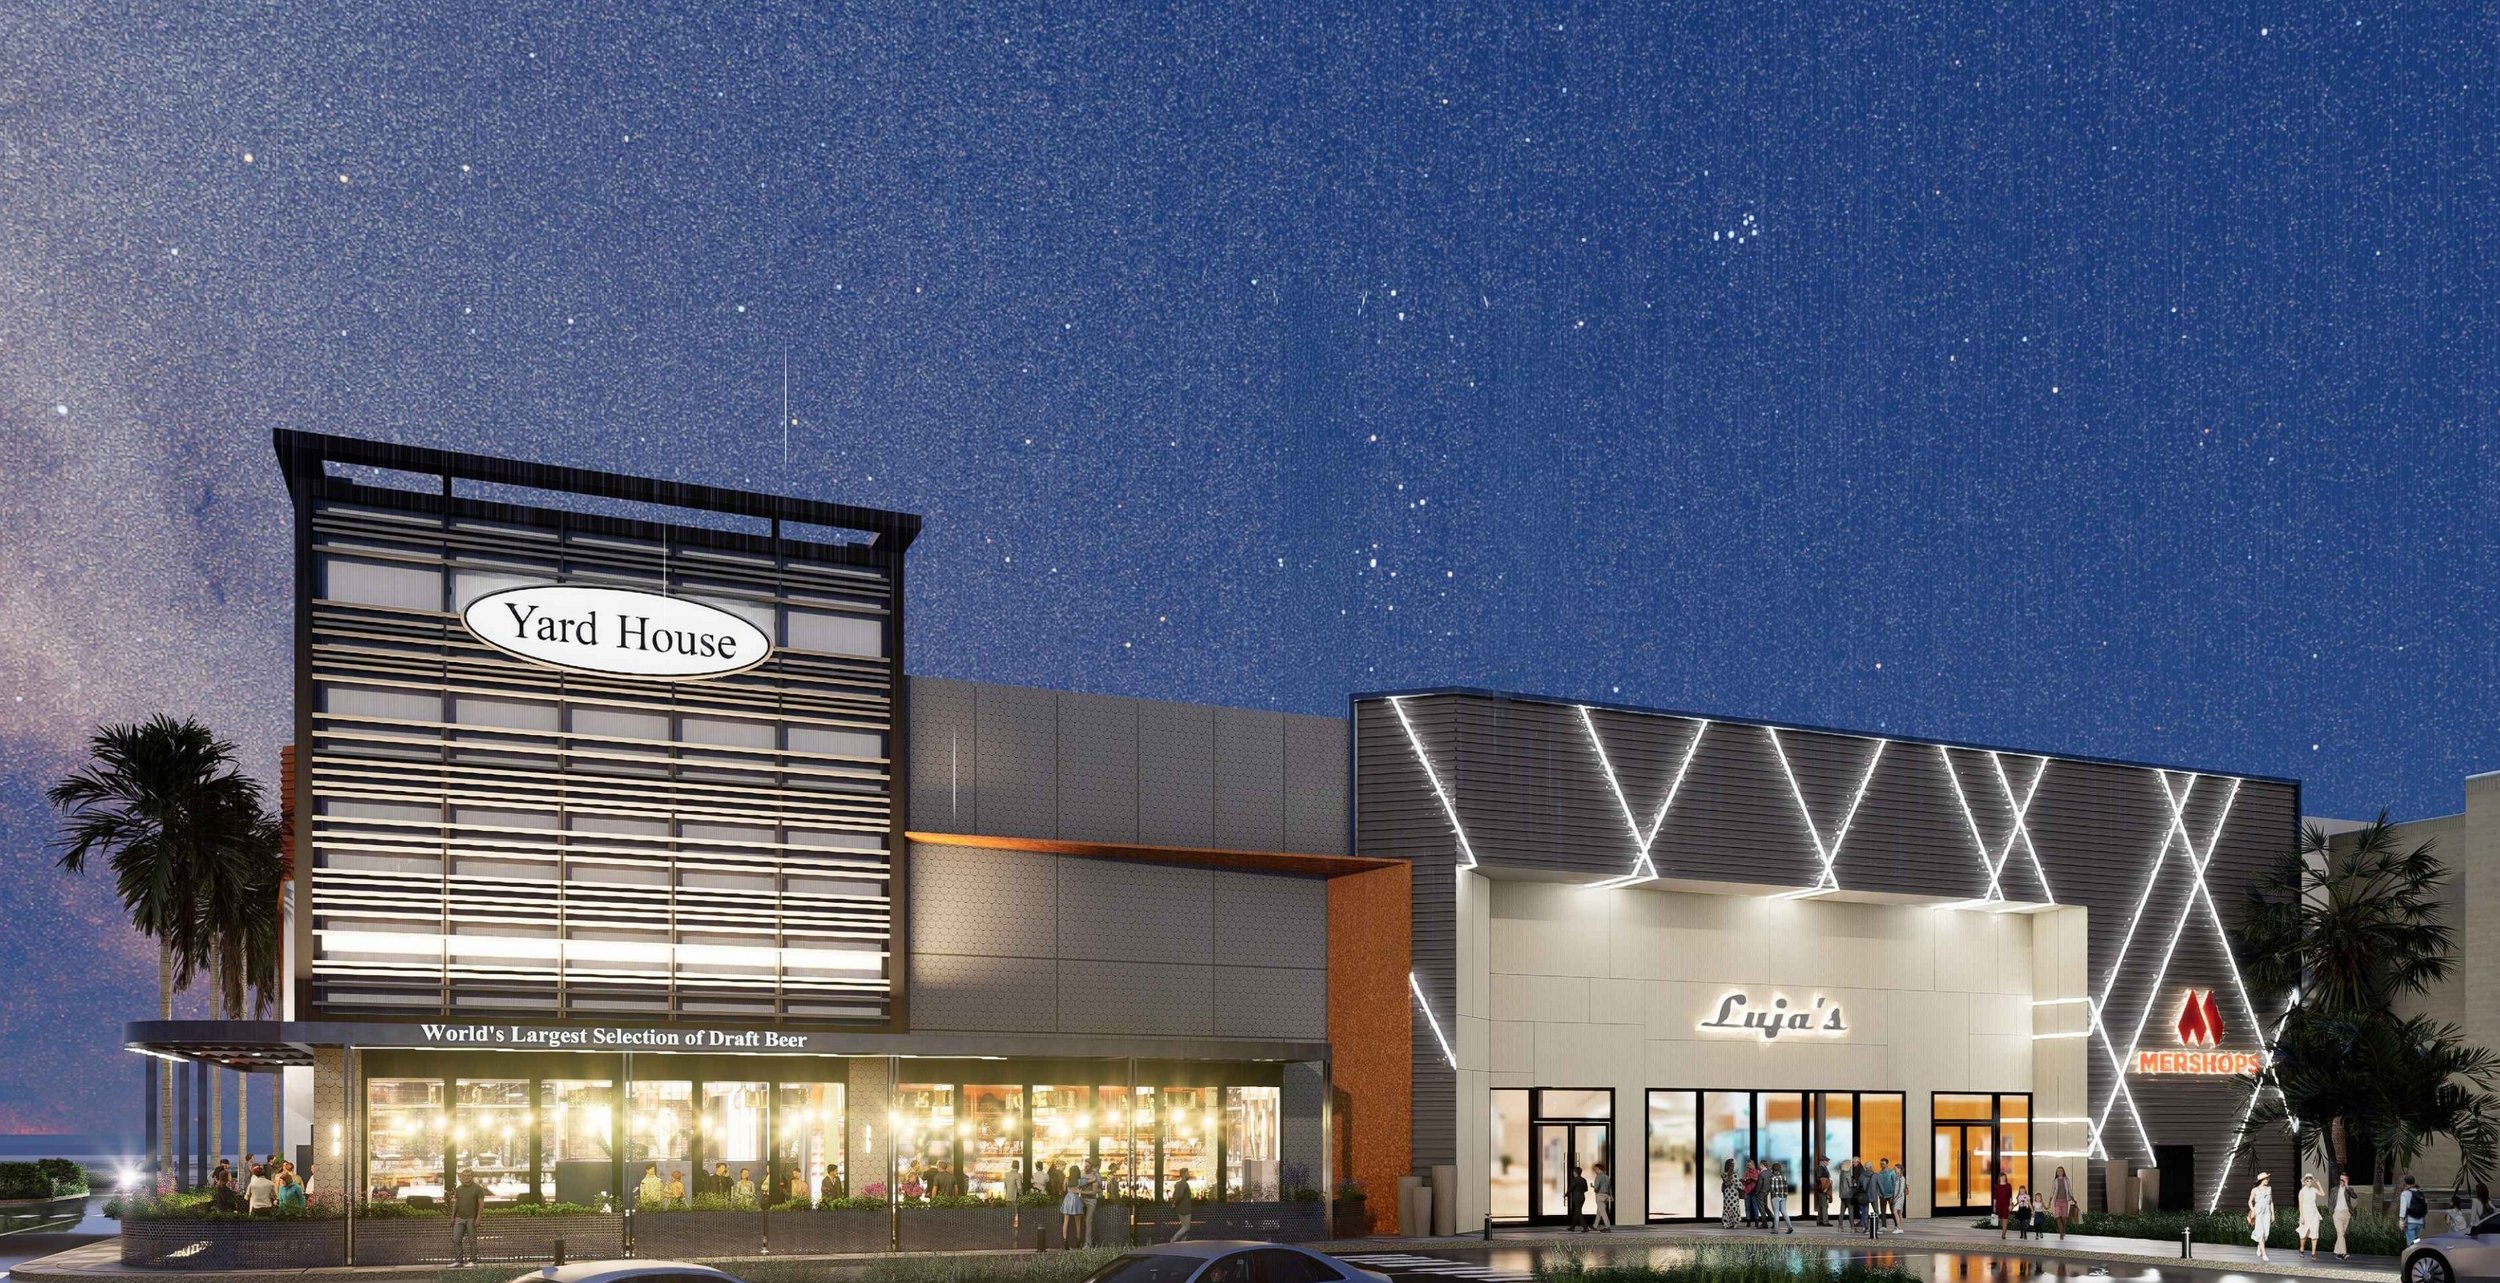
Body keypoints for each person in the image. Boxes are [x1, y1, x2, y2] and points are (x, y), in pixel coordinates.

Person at [450, 1169, 487, 1266]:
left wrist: (479, 1218)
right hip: (459, 1218)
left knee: (472, 1240)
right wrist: (452, 1217)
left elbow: (481, 1204)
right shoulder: (459, 1189)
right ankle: (459, 1261)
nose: (466, 1177)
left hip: (471, 1218)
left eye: (469, 1175)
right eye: (465, 1176)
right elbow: (456, 1203)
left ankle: (473, 1261)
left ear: (472, 1176)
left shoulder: (478, 1188)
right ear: (462, 1177)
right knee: (456, 1239)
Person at [2248, 1172, 2275, 1262]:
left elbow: (2271, 1202)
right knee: (2261, 1232)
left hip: (2267, 1212)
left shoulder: (2269, 1189)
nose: (2267, 1180)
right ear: (2261, 1180)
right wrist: (2253, 1210)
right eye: (2266, 1179)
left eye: (2268, 1178)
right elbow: (2250, 1202)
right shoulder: (2255, 1190)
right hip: (2258, 1211)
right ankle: (2264, 1254)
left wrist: (2273, 1214)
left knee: (2266, 1233)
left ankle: (2259, 1246)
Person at [1058, 1167, 1086, 1250]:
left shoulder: (1067, 1179)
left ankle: (1065, 1241)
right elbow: (1083, 1188)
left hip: (1067, 1199)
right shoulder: (1080, 1180)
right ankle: (1078, 1243)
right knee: (1078, 1223)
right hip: (1076, 1200)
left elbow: (1063, 1189)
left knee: (1066, 1222)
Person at [2296, 1174, 2322, 1257]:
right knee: (2304, 1232)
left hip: (2314, 1213)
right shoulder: (2302, 1191)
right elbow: (2300, 1205)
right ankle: (2302, 1248)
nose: (2309, 1182)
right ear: (2304, 1182)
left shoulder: (2314, 1189)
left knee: (2314, 1232)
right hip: (2306, 1213)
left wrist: (2318, 1183)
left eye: (2311, 1181)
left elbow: (2322, 1194)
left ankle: (2313, 1253)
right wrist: (2302, 1216)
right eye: (2307, 1180)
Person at [1079, 1161, 1102, 1247]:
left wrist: (1082, 1191)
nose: (1085, 1167)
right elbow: (1078, 1185)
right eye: (1085, 1166)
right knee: (1081, 1221)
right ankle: (1081, 1241)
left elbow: (1094, 1191)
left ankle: (1088, 1243)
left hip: (1091, 1200)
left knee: (1088, 1221)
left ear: (1091, 1167)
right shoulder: (1082, 1173)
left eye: (1087, 1166)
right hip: (1082, 1199)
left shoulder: (1095, 1175)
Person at [1765, 1160, 1792, 1234]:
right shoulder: (1784, 1177)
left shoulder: (1772, 1178)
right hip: (1783, 1196)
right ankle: (1790, 1227)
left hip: (1776, 1197)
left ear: (1773, 1169)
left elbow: (1772, 1189)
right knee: (1784, 1212)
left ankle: (1776, 1229)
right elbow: (1786, 1187)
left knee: (1776, 1212)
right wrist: (1785, 1195)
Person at [2401, 1173, 2428, 1247]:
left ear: (2405, 1183)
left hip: (2410, 1221)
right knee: (2416, 1240)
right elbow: (2424, 1206)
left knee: (2410, 1244)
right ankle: (2417, 1254)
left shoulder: (2405, 1193)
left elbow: (2403, 1209)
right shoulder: (2420, 1193)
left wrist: (2401, 1221)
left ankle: (2412, 1256)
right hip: (2420, 1222)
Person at [2331, 1172, 2353, 1260]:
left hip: (2346, 1213)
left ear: (2347, 1180)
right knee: (2340, 1233)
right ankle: (2344, 1253)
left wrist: (2347, 1186)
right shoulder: (2334, 1189)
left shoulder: (2349, 1189)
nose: (2341, 1181)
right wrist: (2332, 1213)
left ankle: (2336, 1251)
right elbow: (2331, 1202)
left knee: (2342, 1234)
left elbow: (2354, 1196)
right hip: (2337, 1214)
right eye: (2340, 1179)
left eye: (2343, 1179)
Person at [2049, 1166, 2075, 1241]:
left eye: (2061, 1171)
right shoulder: (2055, 1181)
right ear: (2056, 1173)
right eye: (2058, 1171)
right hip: (2057, 1201)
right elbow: (2052, 1191)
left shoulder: (2066, 1180)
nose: (2059, 1172)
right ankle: (2061, 1233)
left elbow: (2070, 1190)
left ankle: (2063, 1229)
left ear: (2063, 1172)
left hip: (2065, 1201)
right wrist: (2049, 1201)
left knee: (2064, 1217)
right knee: (2057, 1217)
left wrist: (2073, 1198)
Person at [1878, 1158, 1903, 1232]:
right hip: (1882, 1195)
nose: (1882, 1165)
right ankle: (1883, 1226)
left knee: (1893, 1211)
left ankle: (1896, 1225)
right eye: (1881, 1163)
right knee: (1882, 1211)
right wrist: (1879, 1193)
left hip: (1890, 1195)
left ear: (1887, 1164)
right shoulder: (1879, 1173)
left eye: (1883, 1163)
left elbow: (1895, 1183)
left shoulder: (1891, 1173)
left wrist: (1893, 1194)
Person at [1171, 1166, 1195, 1241]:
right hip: (1185, 1209)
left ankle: (1183, 1242)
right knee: (1186, 1227)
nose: (1189, 1174)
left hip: (1179, 1208)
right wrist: (1175, 1202)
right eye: (1187, 1173)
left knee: (1183, 1226)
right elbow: (1180, 1195)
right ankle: (1174, 1238)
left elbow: (1174, 1195)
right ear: (1184, 1174)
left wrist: (1174, 1203)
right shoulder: (1184, 1184)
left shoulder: (1177, 1184)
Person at [1993, 1165, 2014, 1240]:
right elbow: (1995, 1197)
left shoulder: (2008, 1186)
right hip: (1999, 1205)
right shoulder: (1997, 1186)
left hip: (2006, 1205)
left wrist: (2011, 1205)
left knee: (2005, 1218)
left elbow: (2010, 1196)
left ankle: (2004, 1233)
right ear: (1999, 1178)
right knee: (2001, 1219)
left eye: (2004, 1177)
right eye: (2002, 1177)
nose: (2003, 1178)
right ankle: (2003, 1230)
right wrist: (1994, 1207)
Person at [1592, 1160, 1615, 1232]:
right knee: (1599, 1211)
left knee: (1602, 1212)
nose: (1594, 1171)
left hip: (1600, 1196)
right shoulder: (1607, 1177)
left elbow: (1597, 1187)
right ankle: (1594, 1226)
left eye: (1595, 1169)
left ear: (1598, 1169)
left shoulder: (1598, 1176)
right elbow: (1609, 1187)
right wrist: (1611, 1196)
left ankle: (1607, 1227)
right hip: (1606, 1196)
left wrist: (1594, 1188)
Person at [1566, 1162, 1589, 1232]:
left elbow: (1571, 1188)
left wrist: (1566, 1194)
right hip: (1582, 1197)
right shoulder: (1584, 1180)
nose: (1573, 1173)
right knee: (1577, 1212)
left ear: (1575, 1172)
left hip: (1576, 1197)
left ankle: (1585, 1227)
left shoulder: (1575, 1180)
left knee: (1578, 1212)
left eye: (1573, 1172)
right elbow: (1586, 1189)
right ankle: (1572, 1227)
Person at [1719, 1159, 1741, 1229]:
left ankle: (1726, 1223)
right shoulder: (1735, 1175)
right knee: (1734, 1208)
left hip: (1727, 1194)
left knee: (1727, 1208)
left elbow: (1726, 1183)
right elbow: (1739, 1185)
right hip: (1734, 1195)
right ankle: (1734, 1223)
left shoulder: (1723, 1175)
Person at [1741, 1159, 1761, 1227]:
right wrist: (1745, 1180)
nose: (1748, 1166)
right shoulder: (1746, 1173)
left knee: (1755, 1207)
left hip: (1754, 1191)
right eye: (1747, 1165)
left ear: (1753, 1165)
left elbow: (1759, 1181)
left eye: (1749, 1165)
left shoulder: (1758, 1172)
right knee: (1747, 1207)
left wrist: (1753, 1179)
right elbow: (1743, 1182)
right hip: (1747, 1191)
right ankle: (1748, 1221)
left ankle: (1756, 1221)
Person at [1813, 1160, 1833, 1226]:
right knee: (1824, 1206)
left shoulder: (1824, 1168)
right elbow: (1819, 1179)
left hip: (1822, 1189)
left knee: (1821, 1205)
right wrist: (1826, 1183)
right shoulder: (1820, 1168)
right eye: (1826, 1161)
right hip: (1823, 1189)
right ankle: (1825, 1222)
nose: (1828, 1162)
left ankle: (1819, 1221)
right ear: (1822, 1162)